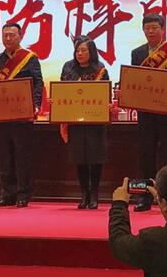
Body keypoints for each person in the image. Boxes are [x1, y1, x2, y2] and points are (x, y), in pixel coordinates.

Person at [120, 13, 167, 212]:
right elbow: (134, 78)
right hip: (146, 113)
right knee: (145, 155)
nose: (151, 31)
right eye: (147, 28)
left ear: (162, 29)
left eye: (155, 28)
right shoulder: (137, 53)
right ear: (143, 30)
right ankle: (143, 197)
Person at [0, 23, 43, 208]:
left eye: (12, 35)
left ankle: (23, 194)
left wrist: (35, 106)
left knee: (22, 156)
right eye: (5, 35)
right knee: (5, 157)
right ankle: (8, 194)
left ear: (20, 36)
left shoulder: (29, 58)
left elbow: (38, 83)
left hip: (22, 117)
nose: (8, 38)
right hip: (2, 117)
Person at [59, 35, 110, 209]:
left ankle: (94, 193)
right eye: (77, 50)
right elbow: (62, 90)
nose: (79, 54)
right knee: (79, 157)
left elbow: (106, 95)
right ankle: (84, 194)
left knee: (95, 158)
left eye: (83, 50)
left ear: (91, 52)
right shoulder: (68, 68)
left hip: (95, 121)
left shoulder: (100, 69)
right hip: (75, 121)